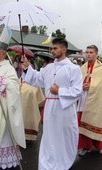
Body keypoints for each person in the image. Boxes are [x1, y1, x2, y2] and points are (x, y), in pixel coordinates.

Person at [21, 37, 83, 170]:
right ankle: (48, 162)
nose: (52, 50)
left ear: (64, 49)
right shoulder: (48, 67)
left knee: (65, 136)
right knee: (50, 136)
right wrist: (27, 68)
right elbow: (37, 79)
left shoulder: (74, 68)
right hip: (50, 109)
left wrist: (59, 91)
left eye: (55, 48)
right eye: (52, 48)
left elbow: (78, 90)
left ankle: (64, 161)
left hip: (65, 108)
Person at [0, 24, 26, 169]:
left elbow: (13, 89)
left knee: (1, 146)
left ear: (3, 54)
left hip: (2, 114)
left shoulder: (7, 68)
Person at [77, 45, 102, 156]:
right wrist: (81, 86)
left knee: (97, 122)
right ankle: (85, 146)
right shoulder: (82, 68)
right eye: (87, 52)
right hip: (84, 100)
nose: (88, 54)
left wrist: (91, 86)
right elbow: (75, 82)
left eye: (91, 52)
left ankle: (100, 145)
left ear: (96, 54)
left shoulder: (101, 69)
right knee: (82, 124)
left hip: (97, 101)